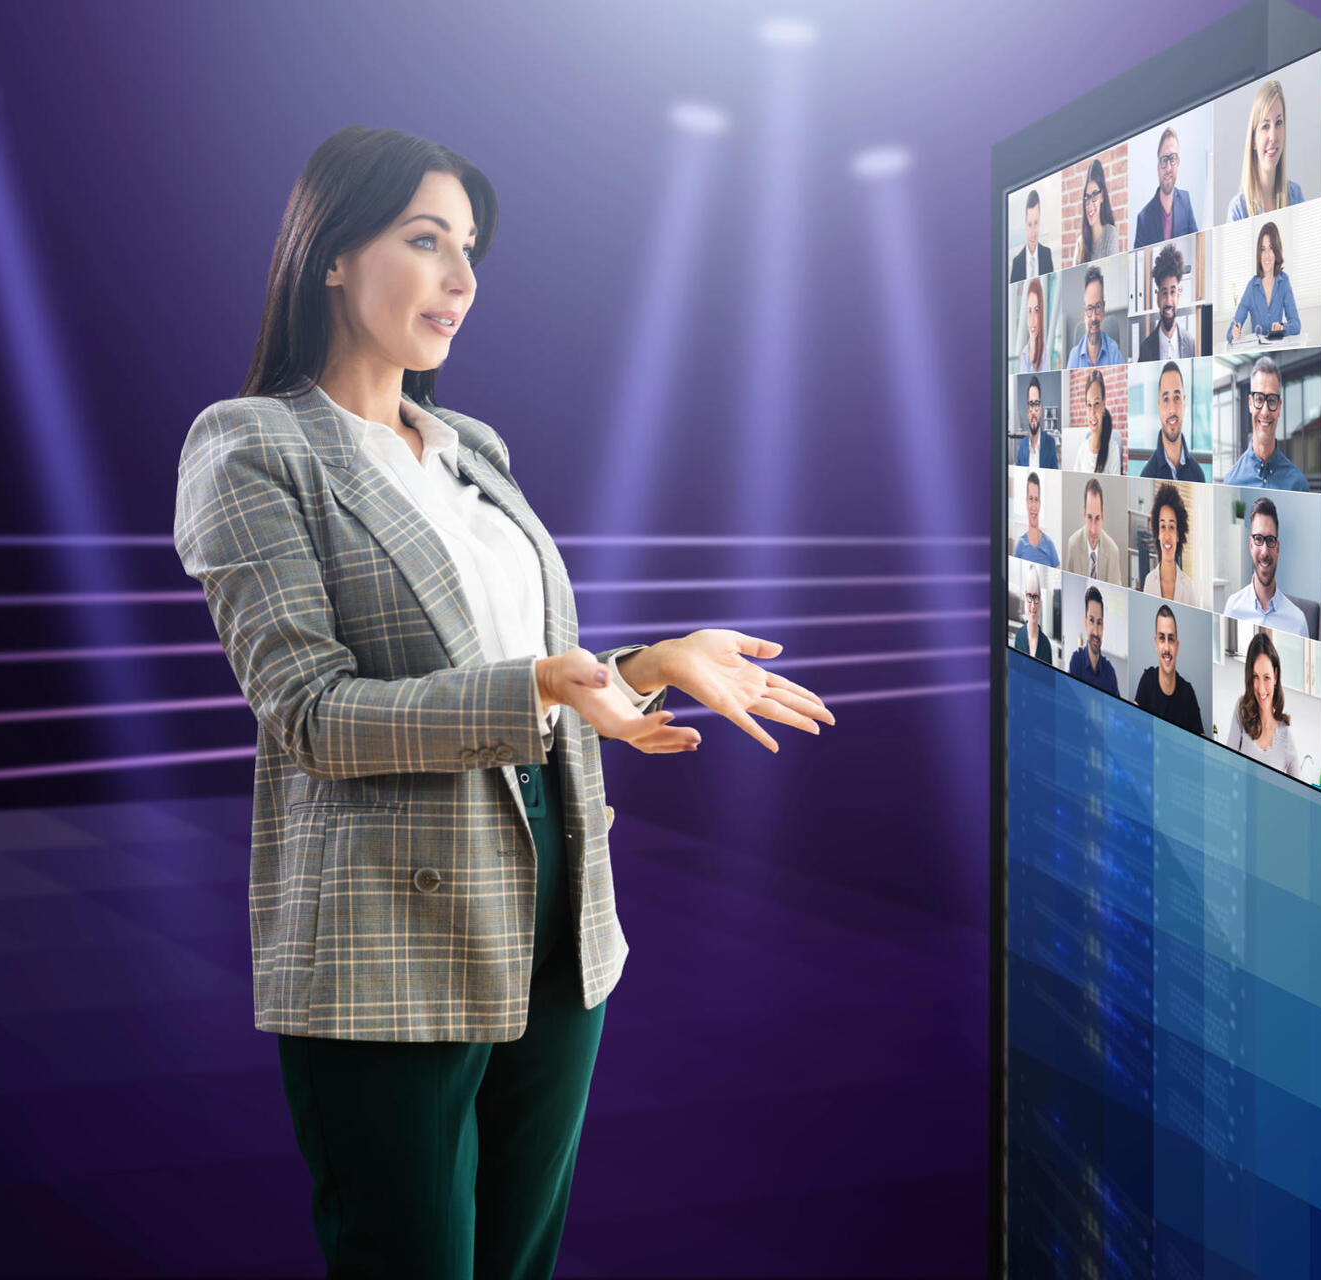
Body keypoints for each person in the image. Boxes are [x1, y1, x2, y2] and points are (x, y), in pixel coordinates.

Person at [172, 127, 836, 1279]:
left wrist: (644, 665)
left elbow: (531, 667)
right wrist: (536, 683)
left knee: (520, 1260)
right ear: (330, 253)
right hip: (387, 931)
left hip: (556, 907)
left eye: (468, 249)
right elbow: (313, 712)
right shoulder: (253, 446)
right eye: (425, 241)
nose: (462, 280)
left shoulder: (470, 445)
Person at [1220, 357, 1310, 491]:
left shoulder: (1298, 484)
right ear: (1250, 403)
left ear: (1279, 407)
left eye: (1272, 400)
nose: (1265, 411)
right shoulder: (1230, 483)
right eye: (1259, 399)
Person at [1223, 497, 1309, 636]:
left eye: (1270, 540)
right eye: (1258, 539)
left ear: (1277, 548)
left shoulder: (1298, 622)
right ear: (1251, 545)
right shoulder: (1232, 608)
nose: (1264, 551)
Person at [1223, 630, 1301, 776]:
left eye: (1266, 677)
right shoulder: (1242, 712)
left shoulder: (1285, 734)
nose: (1261, 688)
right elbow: (1229, 766)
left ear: (1276, 676)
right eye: (1255, 677)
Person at [1228, 79, 1305, 221]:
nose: (1273, 136)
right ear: (1253, 141)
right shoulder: (1238, 209)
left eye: (1279, 123)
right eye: (1265, 126)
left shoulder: (1295, 196)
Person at [1133, 604, 1205, 734]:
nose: (1166, 648)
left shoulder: (1188, 693)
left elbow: (1201, 747)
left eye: (1170, 639)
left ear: (1177, 646)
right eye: (1162, 638)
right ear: (1156, 643)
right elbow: (1133, 731)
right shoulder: (1147, 682)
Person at [1228, 221, 1301, 346]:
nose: (1266, 255)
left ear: (1276, 251)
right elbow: (1231, 331)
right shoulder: (1252, 286)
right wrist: (1234, 333)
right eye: (1262, 249)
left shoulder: (1284, 282)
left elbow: (1296, 324)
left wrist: (1283, 327)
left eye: (1271, 248)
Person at [1140, 361, 1205, 481]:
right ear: (1158, 406)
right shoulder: (1147, 476)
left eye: (1176, 398)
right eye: (1165, 399)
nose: (1172, 409)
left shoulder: (1198, 474)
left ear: (1184, 402)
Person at [1134, 126, 1198, 249]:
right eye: (1164, 160)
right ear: (1158, 166)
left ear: (1178, 162)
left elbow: (1196, 244)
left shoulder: (1186, 200)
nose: (1168, 168)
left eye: (1172, 158)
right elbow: (1139, 265)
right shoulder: (1143, 218)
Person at [1142, 482, 1201, 605]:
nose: (1167, 535)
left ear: (1178, 535)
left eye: (1172, 527)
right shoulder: (1149, 582)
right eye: (1163, 526)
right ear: (1157, 533)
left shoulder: (1188, 585)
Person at [1064, 476, 1127, 585]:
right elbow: (1068, 587)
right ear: (1084, 513)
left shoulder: (1113, 551)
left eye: (1097, 518)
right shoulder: (1073, 544)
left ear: (1102, 515)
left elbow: (1115, 597)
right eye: (1089, 517)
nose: (1093, 530)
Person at [1137, 243, 1195, 361]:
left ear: (1178, 296)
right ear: (1158, 299)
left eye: (1172, 292)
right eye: (1164, 293)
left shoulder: (1191, 344)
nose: (1168, 301)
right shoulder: (1145, 349)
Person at [1068, 585, 1122, 696]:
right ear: (1085, 622)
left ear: (1103, 626)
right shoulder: (1076, 661)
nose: (1096, 632)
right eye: (1091, 621)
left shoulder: (1109, 671)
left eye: (1099, 622)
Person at [1066, 264, 1122, 368]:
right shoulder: (1074, 356)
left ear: (1103, 308)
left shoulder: (1114, 351)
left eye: (1098, 307)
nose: (1094, 318)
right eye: (1089, 308)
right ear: (1084, 311)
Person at [1069, 369, 1123, 473]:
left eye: (1097, 403)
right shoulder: (1082, 449)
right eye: (1089, 405)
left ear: (1103, 405)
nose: (1092, 412)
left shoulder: (1113, 450)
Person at [1013, 470, 1061, 567]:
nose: (1034, 506)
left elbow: (1059, 576)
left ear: (1040, 503)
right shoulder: (1020, 545)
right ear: (1026, 502)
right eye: (1031, 499)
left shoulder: (1049, 544)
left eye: (1036, 499)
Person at [1079, 157, 1121, 263]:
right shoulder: (1080, 242)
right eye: (1087, 197)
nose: (1090, 205)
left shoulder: (1110, 234)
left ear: (1102, 196)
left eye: (1094, 196)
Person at [1011, 187, 1053, 283]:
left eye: (1036, 223)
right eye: (1030, 225)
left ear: (1040, 222)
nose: (1033, 233)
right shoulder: (1017, 262)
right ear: (1025, 224)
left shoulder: (1047, 254)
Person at [1015, 376, 1058, 468]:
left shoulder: (1050, 444)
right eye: (1031, 404)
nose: (1033, 411)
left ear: (1040, 410)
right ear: (1027, 411)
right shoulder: (1022, 446)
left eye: (1037, 404)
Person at [1014, 577, 1053, 662]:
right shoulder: (1019, 636)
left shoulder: (1046, 645)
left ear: (1040, 601)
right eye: (1029, 596)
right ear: (1025, 596)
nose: (1032, 606)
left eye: (1035, 597)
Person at [1016, 276, 1048, 373]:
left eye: (1036, 310)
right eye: (1029, 311)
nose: (1032, 320)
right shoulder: (1024, 354)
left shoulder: (1045, 355)